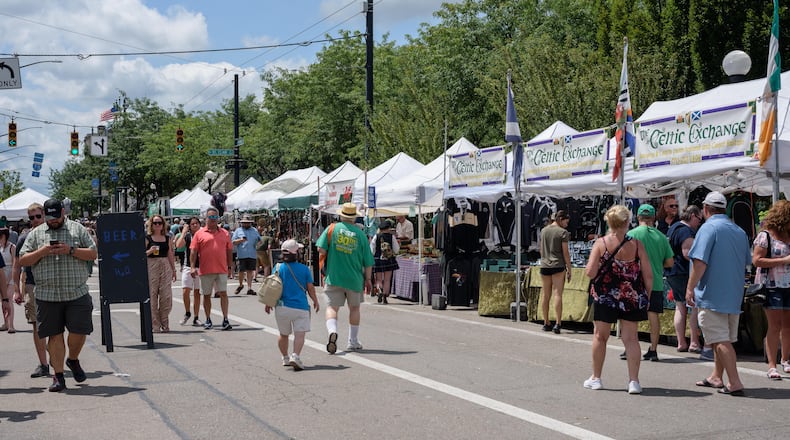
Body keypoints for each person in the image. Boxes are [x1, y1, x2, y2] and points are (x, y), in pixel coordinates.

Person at [18, 198, 98, 392]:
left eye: (56, 216)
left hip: (76, 292)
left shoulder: (77, 229)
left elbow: (93, 253)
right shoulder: (36, 234)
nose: (53, 220)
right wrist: (42, 252)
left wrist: (70, 250)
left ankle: (73, 359)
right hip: (47, 295)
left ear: (63, 212)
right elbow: (23, 260)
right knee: (54, 336)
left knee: (79, 332)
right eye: (49, 217)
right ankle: (59, 376)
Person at [686, 191, 751, 396]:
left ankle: (734, 382)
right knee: (722, 338)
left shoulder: (708, 228)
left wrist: (690, 287)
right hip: (733, 294)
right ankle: (716, 376)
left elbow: (700, 262)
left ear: (705, 209)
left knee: (720, 339)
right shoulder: (739, 231)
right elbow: (746, 262)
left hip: (712, 294)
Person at [584, 205, 652, 394]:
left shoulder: (601, 243)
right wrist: (646, 296)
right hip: (630, 296)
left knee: (600, 336)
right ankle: (634, 382)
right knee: (631, 339)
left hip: (605, 296)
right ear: (627, 222)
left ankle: (596, 378)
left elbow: (590, 272)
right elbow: (648, 275)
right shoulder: (637, 244)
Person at [316, 202, 374, 353]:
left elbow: (321, 248)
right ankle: (352, 341)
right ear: (354, 218)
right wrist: (368, 280)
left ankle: (332, 332)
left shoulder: (332, 229)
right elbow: (368, 261)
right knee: (354, 308)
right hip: (354, 278)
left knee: (332, 307)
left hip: (334, 276)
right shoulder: (361, 235)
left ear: (341, 215)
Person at [626, 204, 673, 361]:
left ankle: (630, 348)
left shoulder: (631, 234)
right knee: (653, 315)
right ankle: (653, 349)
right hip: (656, 281)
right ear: (654, 218)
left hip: (635, 282)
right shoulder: (661, 237)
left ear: (638, 217)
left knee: (631, 317)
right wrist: (657, 263)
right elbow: (670, 262)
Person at [264, 239, 319, 370]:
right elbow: (310, 288)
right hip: (300, 307)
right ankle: (295, 355)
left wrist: (268, 302)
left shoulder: (278, 268)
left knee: (283, 334)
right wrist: (315, 300)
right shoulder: (304, 269)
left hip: (282, 306)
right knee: (300, 334)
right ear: (296, 253)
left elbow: (272, 286)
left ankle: (285, 358)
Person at [751, 199, 790, 379]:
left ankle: (786, 360)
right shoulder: (766, 235)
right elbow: (757, 260)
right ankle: (772, 365)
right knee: (775, 326)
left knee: (788, 325)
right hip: (772, 285)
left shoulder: (788, 234)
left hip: (788, 286)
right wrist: (783, 260)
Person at [13, 203, 49, 378]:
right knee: (37, 325)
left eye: (38, 216)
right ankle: (44, 364)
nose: (35, 220)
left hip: (52, 285)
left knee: (55, 324)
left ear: (44, 215)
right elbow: (16, 266)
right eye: (32, 217)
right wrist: (16, 290)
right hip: (31, 285)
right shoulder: (24, 238)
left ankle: (55, 355)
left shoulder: (53, 234)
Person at [665, 205, 704, 353]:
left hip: (672, 271)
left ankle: (681, 342)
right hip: (683, 272)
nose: (699, 223)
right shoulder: (686, 231)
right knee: (693, 306)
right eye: (699, 219)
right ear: (693, 215)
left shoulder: (673, 227)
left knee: (680, 306)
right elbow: (688, 254)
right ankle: (694, 342)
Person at [190, 207, 233, 330]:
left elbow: (229, 251)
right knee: (207, 295)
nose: (213, 219)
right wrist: (192, 267)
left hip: (221, 269)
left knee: (223, 293)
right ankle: (208, 319)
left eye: (215, 217)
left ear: (218, 218)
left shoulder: (225, 233)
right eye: (210, 217)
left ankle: (225, 319)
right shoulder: (199, 234)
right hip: (205, 269)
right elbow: (193, 251)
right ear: (206, 218)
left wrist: (230, 266)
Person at [539, 210, 572, 334]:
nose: (567, 225)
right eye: (566, 222)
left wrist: (545, 259)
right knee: (558, 294)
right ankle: (558, 323)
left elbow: (541, 249)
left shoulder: (544, 231)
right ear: (561, 219)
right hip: (558, 265)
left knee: (545, 295)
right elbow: (565, 253)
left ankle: (546, 322)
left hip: (545, 265)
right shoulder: (563, 232)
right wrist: (569, 268)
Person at [145, 215, 177, 333]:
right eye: (155, 223)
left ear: (163, 224)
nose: (157, 225)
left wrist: (173, 270)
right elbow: (141, 254)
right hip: (151, 265)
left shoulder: (167, 238)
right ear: (151, 224)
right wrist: (150, 251)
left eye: (160, 223)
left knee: (166, 296)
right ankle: (155, 324)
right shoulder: (147, 238)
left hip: (165, 265)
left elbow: (170, 253)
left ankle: (165, 322)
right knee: (152, 296)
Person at [175, 217, 204, 326]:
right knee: (185, 291)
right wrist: (183, 232)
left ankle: (196, 317)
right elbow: (178, 245)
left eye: (197, 223)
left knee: (197, 292)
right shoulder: (187, 236)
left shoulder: (203, 235)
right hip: (188, 266)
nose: (195, 225)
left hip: (201, 267)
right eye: (192, 224)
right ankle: (187, 312)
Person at [370, 219, 399, 304]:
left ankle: (380, 290)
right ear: (388, 228)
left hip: (378, 259)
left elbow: (372, 250)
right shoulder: (391, 237)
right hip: (389, 259)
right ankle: (385, 296)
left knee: (378, 279)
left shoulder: (376, 236)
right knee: (387, 280)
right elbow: (396, 249)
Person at [231, 214, 261, 296]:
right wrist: (241, 240)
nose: (246, 224)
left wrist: (258, 243)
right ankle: (241, 285)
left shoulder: (254, 230)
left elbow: (259, 240)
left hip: (252, 254)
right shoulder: (238, 231)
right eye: (244, 223)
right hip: (242, 254)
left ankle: (249, 288)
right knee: (241, 271)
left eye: (248, 223)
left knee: (250, 271)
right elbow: (233, 242)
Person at [0, 228, 15, 333]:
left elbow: (14, 263)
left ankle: (11, 325)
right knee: (3, 300)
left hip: (10, 274)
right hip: (2, 274)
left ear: (5, 236)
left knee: (9, 298)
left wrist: (10, 278)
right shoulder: (0, 247)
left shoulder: (12, 247)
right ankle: (5, 323)